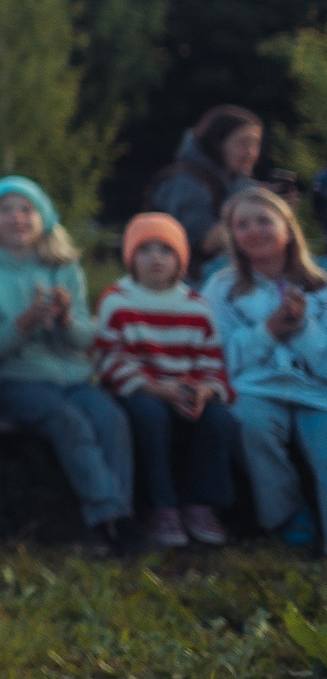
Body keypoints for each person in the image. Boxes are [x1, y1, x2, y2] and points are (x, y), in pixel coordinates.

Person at [0, 178, 137, 554]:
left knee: (112, 420)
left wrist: (64, 321)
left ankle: (105, 527)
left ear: (43, 218)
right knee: (69, 422)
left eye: (26, 208)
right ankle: (114, 519)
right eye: (5, 209)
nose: (17, 217)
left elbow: (87, 339)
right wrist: (24, 322)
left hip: (74, 378)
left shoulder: (65, 268)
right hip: (18, 382)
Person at [94, 212, 236, 548]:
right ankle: (162, 506)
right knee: (150, 416)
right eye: (145, 250)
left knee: (219, 421)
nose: (156, 259)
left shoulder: (197, 307)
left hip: (185, 389)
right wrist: (156, 389)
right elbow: (110, 359)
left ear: (180, 260)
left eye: (166, 251)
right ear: (131, 258)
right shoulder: (117, 300)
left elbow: (212, 364)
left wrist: (204, 390)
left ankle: (199, 503)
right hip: (140, 390)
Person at [202, 187, 327, 551]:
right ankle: (287, 516)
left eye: (264, 221)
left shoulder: (320, 284)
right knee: (252, 426)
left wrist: (303, 328)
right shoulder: (222, 288)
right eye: (242, 225)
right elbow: (218, 354)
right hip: (255, 388)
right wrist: (267, 332)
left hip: (316, 390)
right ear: (233, 237)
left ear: (287, 229)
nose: (254, 231)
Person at [148, 105, 265, 278]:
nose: (251, 152)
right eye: (243, 143)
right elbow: (204, 242)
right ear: (217, 143)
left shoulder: (233, 179)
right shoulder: (188, 181)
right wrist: (251, 204)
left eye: (255, 143)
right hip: (187, 283)